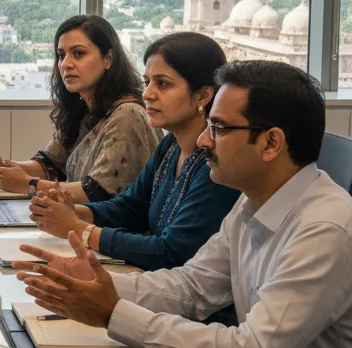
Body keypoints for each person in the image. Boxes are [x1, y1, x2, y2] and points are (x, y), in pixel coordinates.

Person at [13, 60, 352, 348]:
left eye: (219, 127)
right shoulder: (254, 204)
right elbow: (192, 288)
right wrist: (105, 285)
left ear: (271, 143)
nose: (205, 141)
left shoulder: (324, 229)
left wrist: (113, 313)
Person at [29, 32, 240, 271]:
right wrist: (72, 212)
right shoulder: (171, 145)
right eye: (147, 82)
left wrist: (80, 229)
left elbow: (171, 252)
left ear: (203, 95)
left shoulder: (216, 163)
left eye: (163, 84)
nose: (148, 94)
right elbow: (129, 208)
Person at [0, 14, 158, 202]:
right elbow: (50, 165)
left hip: (110, 228)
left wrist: (29, 184)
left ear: (108, 59)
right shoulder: (84, 109)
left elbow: (98, 192)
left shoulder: (128, 114)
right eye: (61, 55)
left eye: (78, 54)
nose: (66, 64)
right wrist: (5, 167)